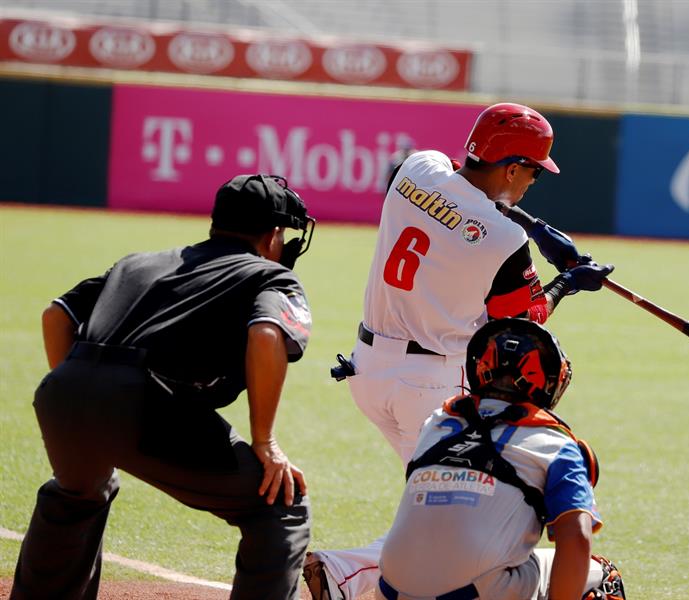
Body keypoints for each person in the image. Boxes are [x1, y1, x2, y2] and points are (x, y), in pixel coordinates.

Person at [305, 103, 614, 599]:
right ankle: (340, 575)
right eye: (532, 170)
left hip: (366, 369)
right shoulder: (506, 241)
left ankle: (349, 577)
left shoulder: (417, 166)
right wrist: (566, 283)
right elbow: (521, 321)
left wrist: (531, 231)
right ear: (512, 167)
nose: (534, 181)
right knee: (447, 515)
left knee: (431, 504)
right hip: (429, 388)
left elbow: (459, 196)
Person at [12, 174, 317, 600]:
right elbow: (266, 335)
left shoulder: (137, 263)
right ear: (274, 235)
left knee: (76, 493)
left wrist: (86, 401)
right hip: (142, 402)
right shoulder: (268, 275)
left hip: (62, 390)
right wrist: (264, 442)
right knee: (282, 508)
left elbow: (56, 316)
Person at [378, 318, 625, 600]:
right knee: (600, 576)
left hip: (389, 590)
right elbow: (577, 538)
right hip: (481, 592)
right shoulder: (555, 444)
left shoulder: (434, 425)